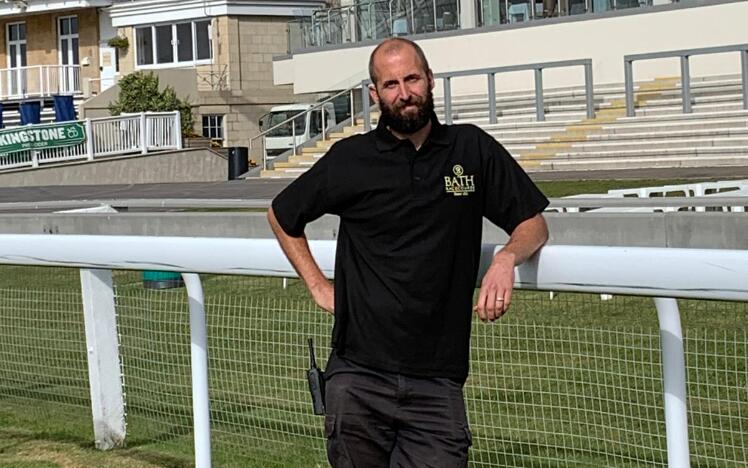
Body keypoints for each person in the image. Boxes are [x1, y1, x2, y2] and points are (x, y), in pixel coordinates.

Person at [268, 38, 549, 468]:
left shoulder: (471, 149)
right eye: (391, 83)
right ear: (375, 93)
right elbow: (282, 214)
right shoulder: (352, 158)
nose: (404, 93)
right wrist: (319, 287)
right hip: (357, 375)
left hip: (438, 381)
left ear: (430, 79)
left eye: (412, 78)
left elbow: (534, 225)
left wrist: (507, 257)